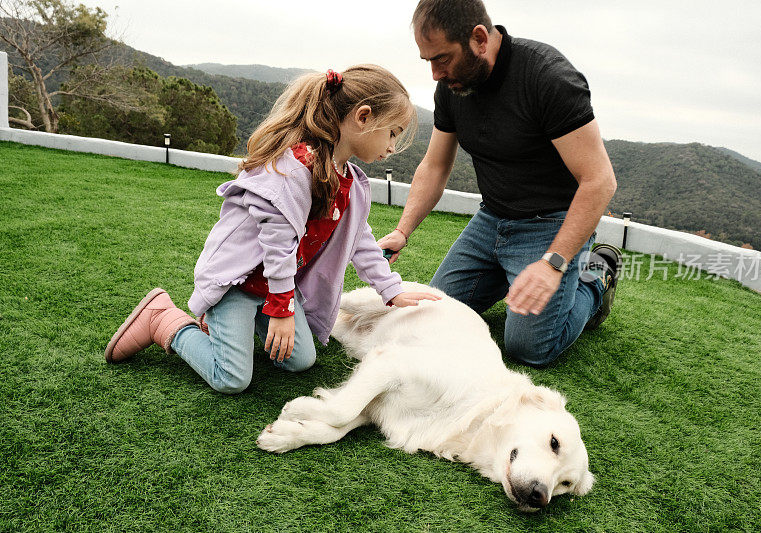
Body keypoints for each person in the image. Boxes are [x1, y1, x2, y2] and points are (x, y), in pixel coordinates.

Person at [105, 65, 441, 393]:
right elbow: (278, 245)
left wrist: (391, 289)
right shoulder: (292, 168)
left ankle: (230, 330)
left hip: (276, 287)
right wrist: (281, 310)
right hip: (238, 284)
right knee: (232, 379)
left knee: (300, 361)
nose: (393, 146)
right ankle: (164, 320)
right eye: (393, 132)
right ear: (363, 117)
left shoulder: (350, 181)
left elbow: (360, 239)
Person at [377, 0, 621, 367]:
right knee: (433, 317)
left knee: (528, 349)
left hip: (551, 225)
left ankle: (595, 278)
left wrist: (552, 263)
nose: (434, 73)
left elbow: (600, 180)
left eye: (441, 58)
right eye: (427, 60)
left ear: (478, 38)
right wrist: (403, 230)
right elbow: (435, 165)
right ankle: (513, 274)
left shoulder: (548, 77)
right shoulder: (453, 87)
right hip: (491, 220)